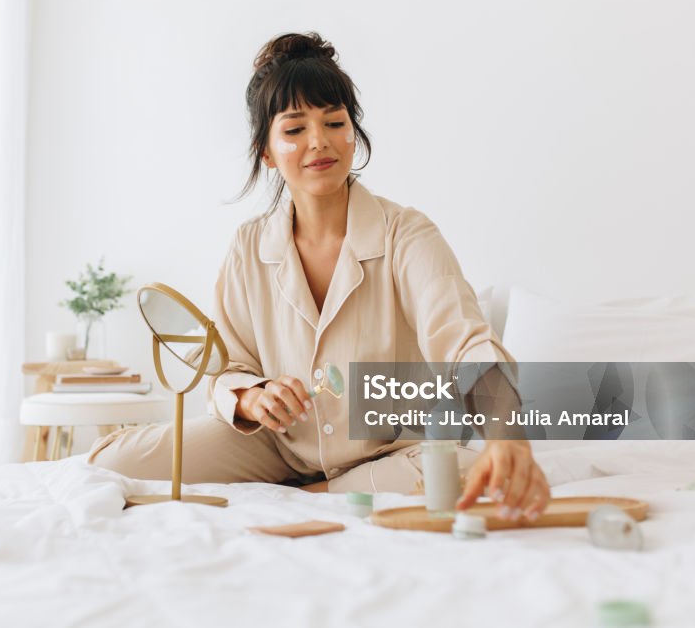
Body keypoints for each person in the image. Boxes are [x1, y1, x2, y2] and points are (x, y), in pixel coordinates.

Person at [90, 31, 550, 522]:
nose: (319, 141)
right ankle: (325, 489)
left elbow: (466, 343)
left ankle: (317, 493)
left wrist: (507, 436)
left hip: (391, 452)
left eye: (335, 122)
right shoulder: (249, 247)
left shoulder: (406, 234)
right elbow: (228, 367)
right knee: (114, 461)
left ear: (354, 135)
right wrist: (253, 398)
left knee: (462, 467)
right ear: (266, 151)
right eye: (294, 129)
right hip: (277, 448)